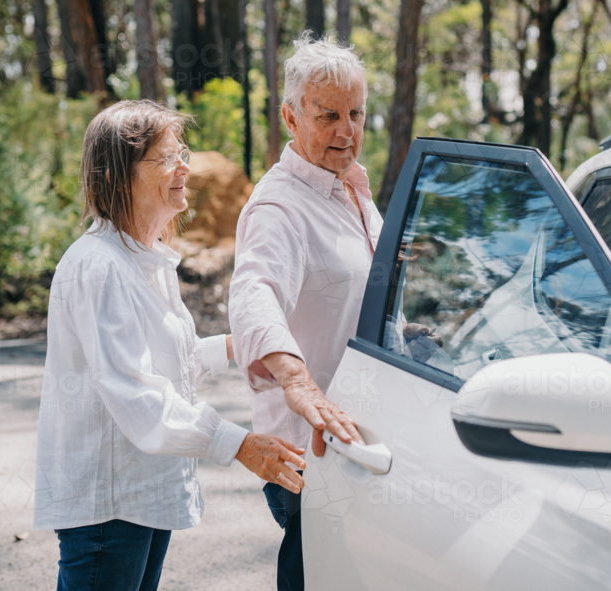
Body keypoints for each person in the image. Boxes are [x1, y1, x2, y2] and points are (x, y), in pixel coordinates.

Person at [34, 100, 305, 591]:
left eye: (183, 152)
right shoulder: (100, 267)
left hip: (140, 495)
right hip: (108, 507)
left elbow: (166, 365)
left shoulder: (144, 261)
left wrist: (237, 346)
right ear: (120, 175)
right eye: (167, 157)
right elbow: (138, 395)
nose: (185, 167)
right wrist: (240, 444)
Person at [229, 35, 377, 590]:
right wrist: (297, 379)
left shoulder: (351, 186)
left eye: (356, 113)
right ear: (291, 117)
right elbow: (254, 292)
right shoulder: (278, 207)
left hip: (355, 439)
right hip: (309, 450)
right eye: (330, 115)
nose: (347, 130)